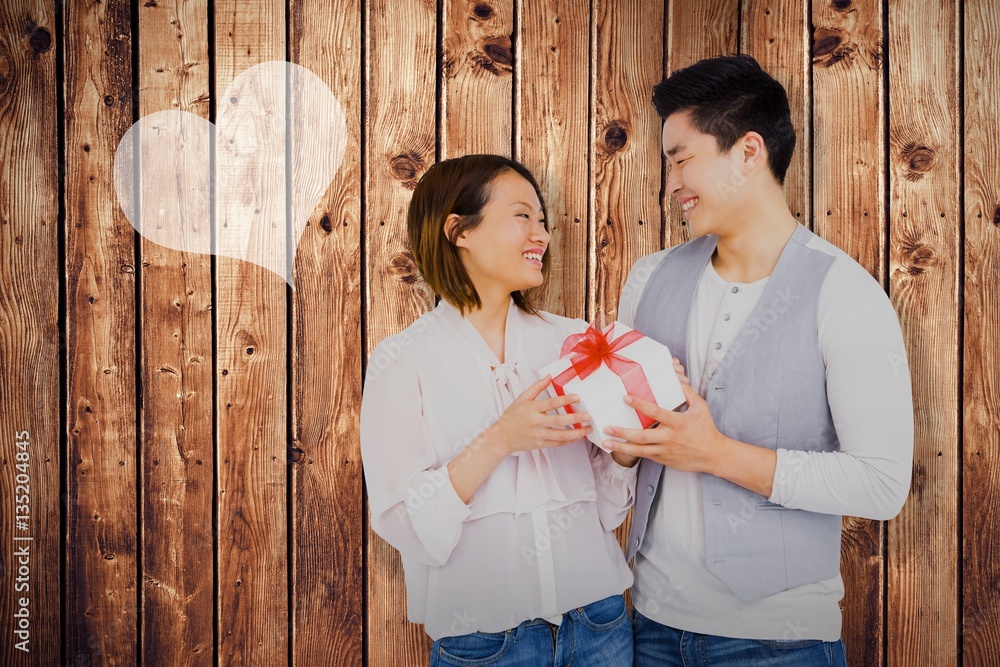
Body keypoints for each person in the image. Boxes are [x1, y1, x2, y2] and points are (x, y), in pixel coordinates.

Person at [598, 55, 914, 666]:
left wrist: (717, 455)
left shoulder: (845, 295)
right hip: (649, 629)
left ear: (748, 152)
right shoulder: (647, 280)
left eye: (682, 159)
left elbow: (881, 486)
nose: (672, 186)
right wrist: (621, 442)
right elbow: (623, 455)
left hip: (779, 643)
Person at [361, 154, 662, 666]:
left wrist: (629, 446)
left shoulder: (573, 343)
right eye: (522, 215)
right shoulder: (401, 360)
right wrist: (501, 438)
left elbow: (606, 511)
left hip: (600, 624)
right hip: (485, 644)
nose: (540, 234)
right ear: (458, 230)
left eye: (543, 221)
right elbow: (405, 525)